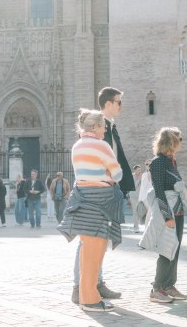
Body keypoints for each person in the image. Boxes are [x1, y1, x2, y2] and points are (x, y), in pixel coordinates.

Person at [58, 109, 124, 312]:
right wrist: (106, 173)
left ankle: (87, 295)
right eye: (104, 126)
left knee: (88, 249)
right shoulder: (102, 146)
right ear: (95, 127)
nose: (105, 130)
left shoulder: (77, 145)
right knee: (95, 252)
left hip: (83, 198)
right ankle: (89, 299)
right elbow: (118, 174)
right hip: (100, 200)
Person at [71, 87, 130, 305]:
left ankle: (95, 283)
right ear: (108, 104)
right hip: (101, 193)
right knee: (92, 241)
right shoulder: (100, 138)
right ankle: (82, 287)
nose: (121, 106)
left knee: (94, 240)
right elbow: (116, 170)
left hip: (85, 192)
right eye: (119, 102)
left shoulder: (84, 141)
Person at [143, 127, 187, 303]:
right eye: (180, 138)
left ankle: (169, 285)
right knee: (165, 248)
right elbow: (159, 191)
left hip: (178, 210)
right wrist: (167, 216)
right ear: (171, 141)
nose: (181, 142)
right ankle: (157, 288)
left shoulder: (172, 161)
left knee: (175, 248)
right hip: (168, 212)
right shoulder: (158, 162)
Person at [127, 165, 143, 232]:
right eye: (138, 170)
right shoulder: (132, 176)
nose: (140, 171)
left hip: (140, 196)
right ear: (135, 170)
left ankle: (135, 224)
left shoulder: (142, 176)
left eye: (140, 170)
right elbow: (133, 187)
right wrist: (139, 179)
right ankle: (136, 226)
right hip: (133, 196)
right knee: (135, 211)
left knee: (140, 211)